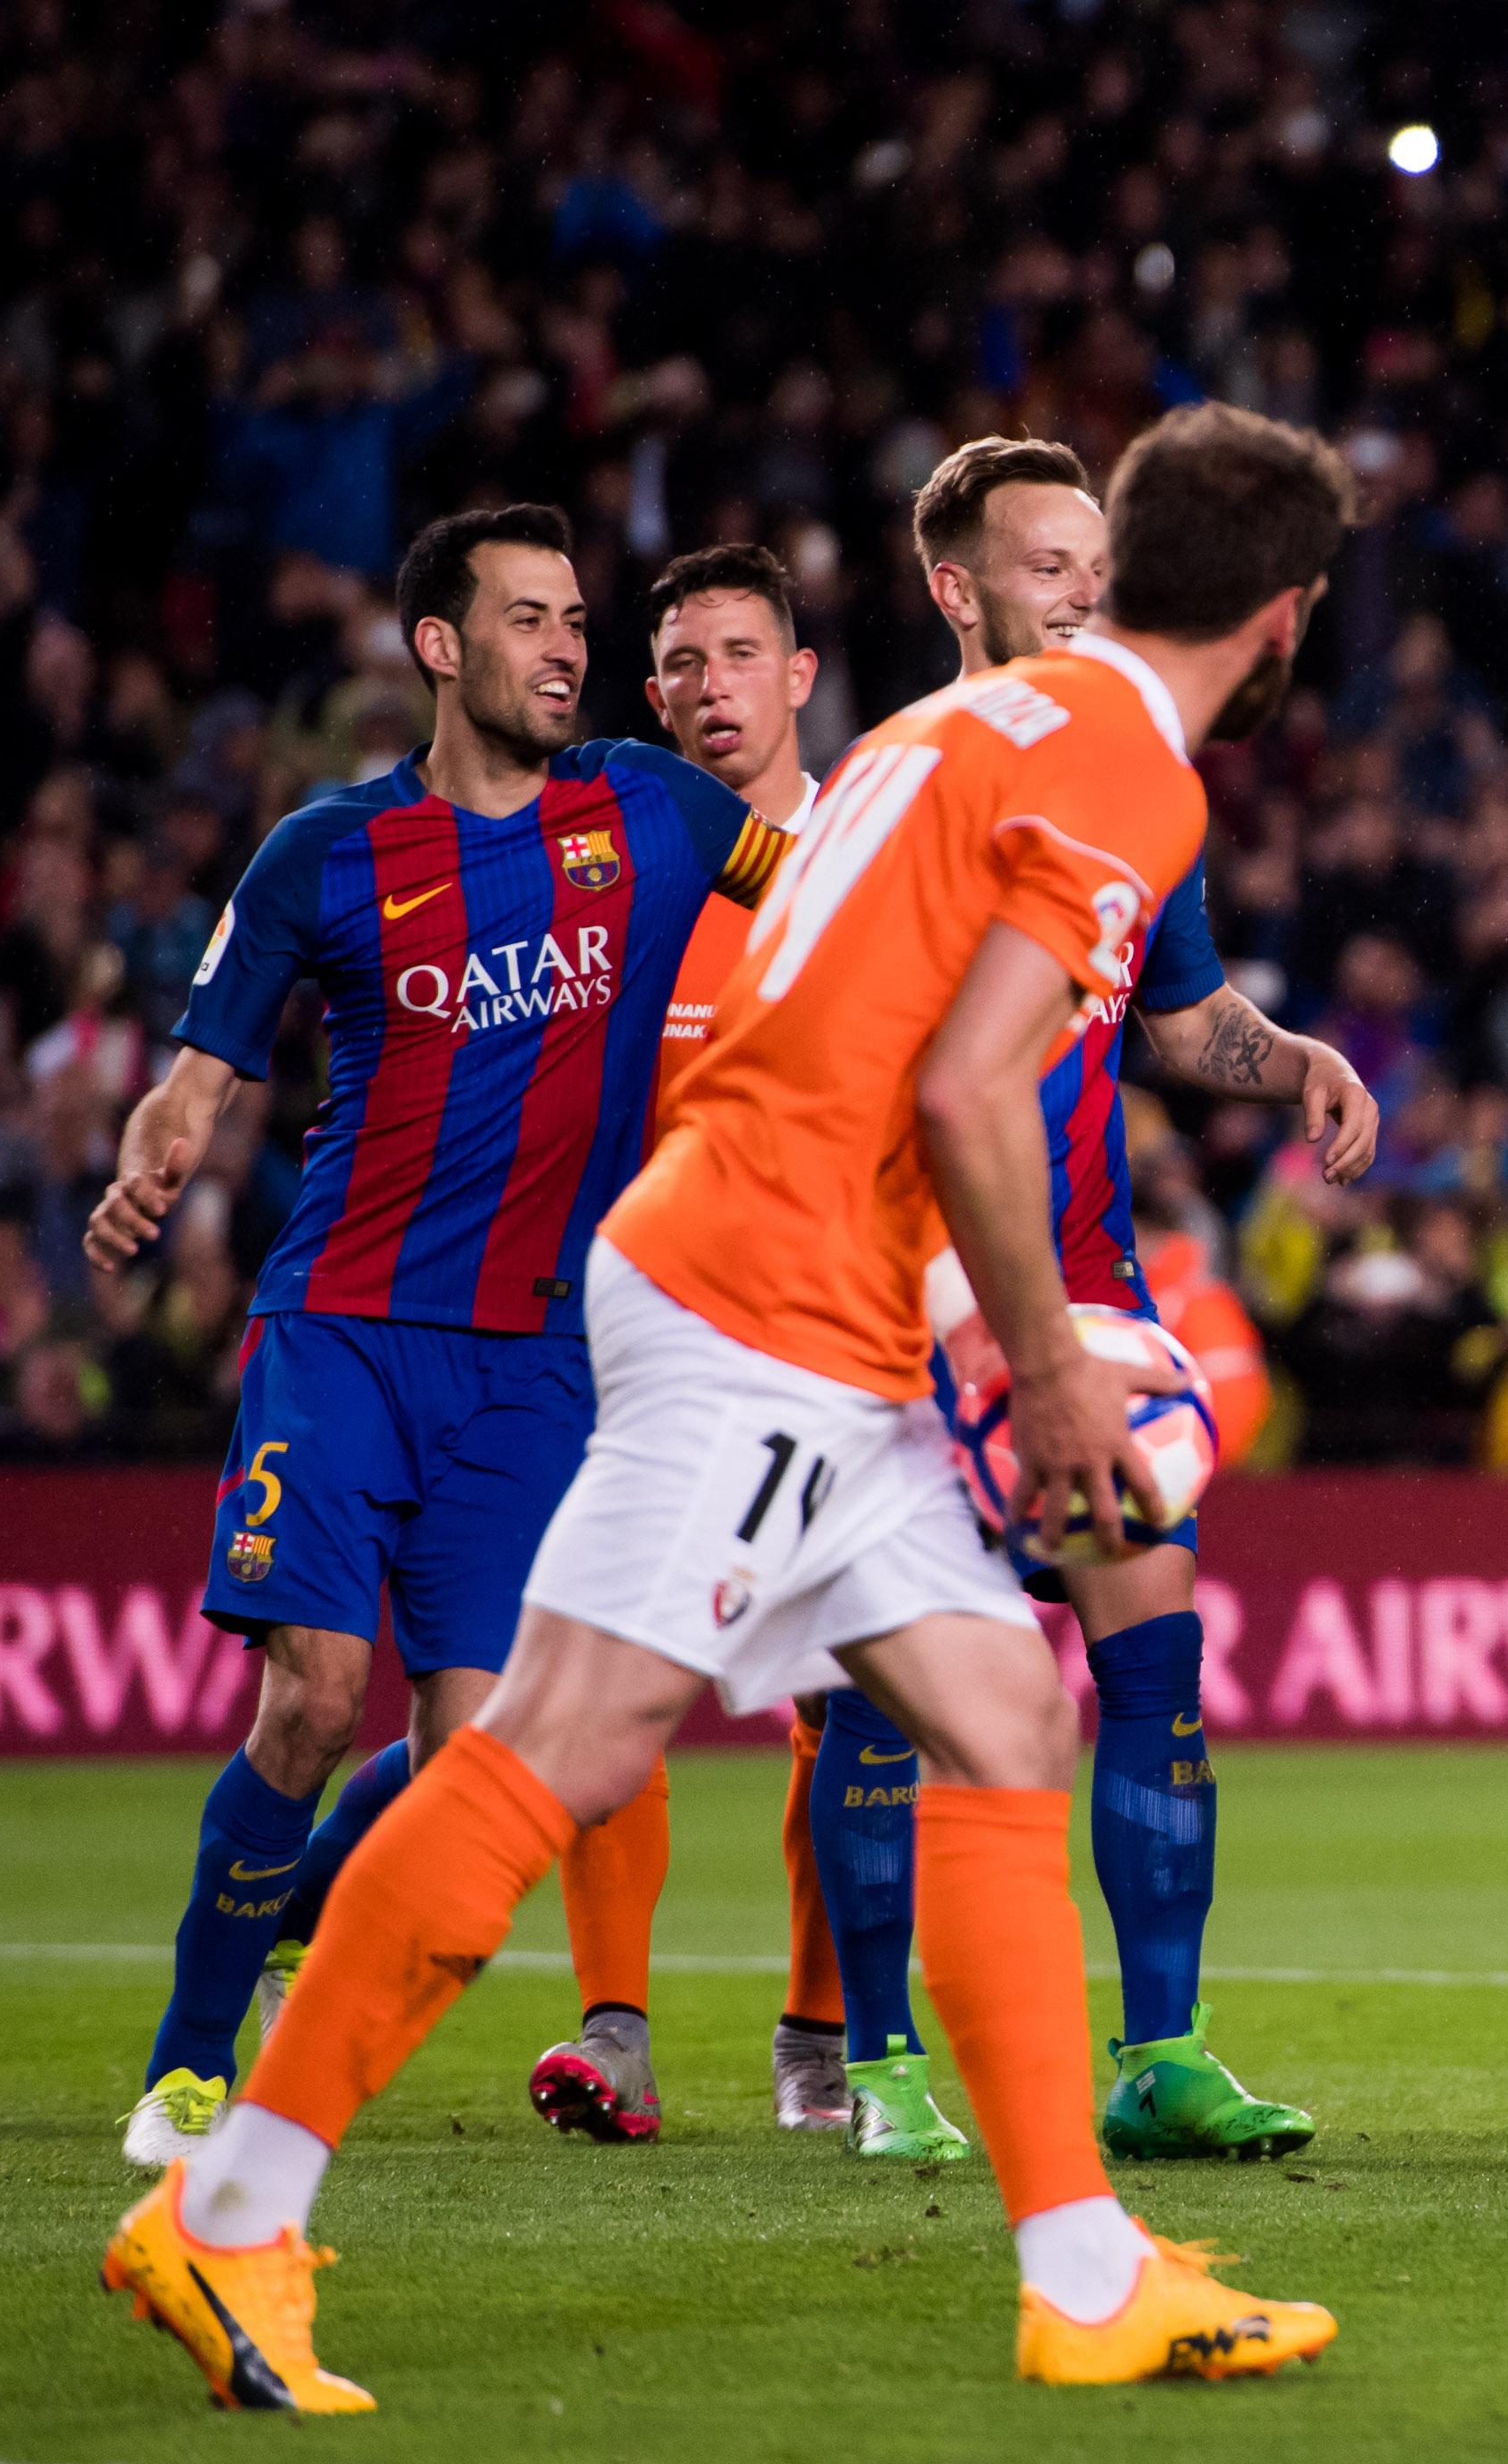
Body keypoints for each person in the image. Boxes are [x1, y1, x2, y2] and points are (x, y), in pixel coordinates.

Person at [96, 404, 1360, 2406]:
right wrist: (1040, 1369)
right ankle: (230, 2214)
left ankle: (1084, 2264)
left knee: (1008, 1712)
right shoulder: (1128, 767)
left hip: (794, 1283)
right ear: (1284, 611)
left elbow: (841, 1022)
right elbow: (968, 1088)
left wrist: (938, 1303)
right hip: (764, 1296)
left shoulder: (953, 734)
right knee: (552, 1747)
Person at [90, 505, 792, 2168]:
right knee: (317, 1697)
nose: (569, 645)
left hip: (538, 1363)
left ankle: (289, 1931)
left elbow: (828, 885)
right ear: (441, 645)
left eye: (575, 618)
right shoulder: (324, 852)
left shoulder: (652, 806)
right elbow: (198, 1073)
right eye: (532, 618)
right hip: (342, 1326)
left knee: (480, 1761)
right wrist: (155, 1149)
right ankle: (195, 2063)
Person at [799, 435, 1374, 2168]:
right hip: (904, 1284)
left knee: (1155, 1653)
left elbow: (1177, 1017)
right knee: (887, 1691)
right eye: (1040, 560)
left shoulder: (1130, 781)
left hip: (1086, 1278)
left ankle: (1162, 2050)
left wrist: (1294, 1064)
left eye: (1090, 555)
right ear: (956, 586)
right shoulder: (906, 782)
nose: (1075, 585)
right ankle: (883, 2060)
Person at [637, 541, 855, 2134]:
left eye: (739, 654)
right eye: (683, 665)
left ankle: (824, 2038)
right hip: (643, 1335)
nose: (712, 687)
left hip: (830, 1330)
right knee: (574, 1706)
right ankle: (612, 2023)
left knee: (851, 1691)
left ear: (801, 674)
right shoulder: (622, 876)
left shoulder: (879, 847)